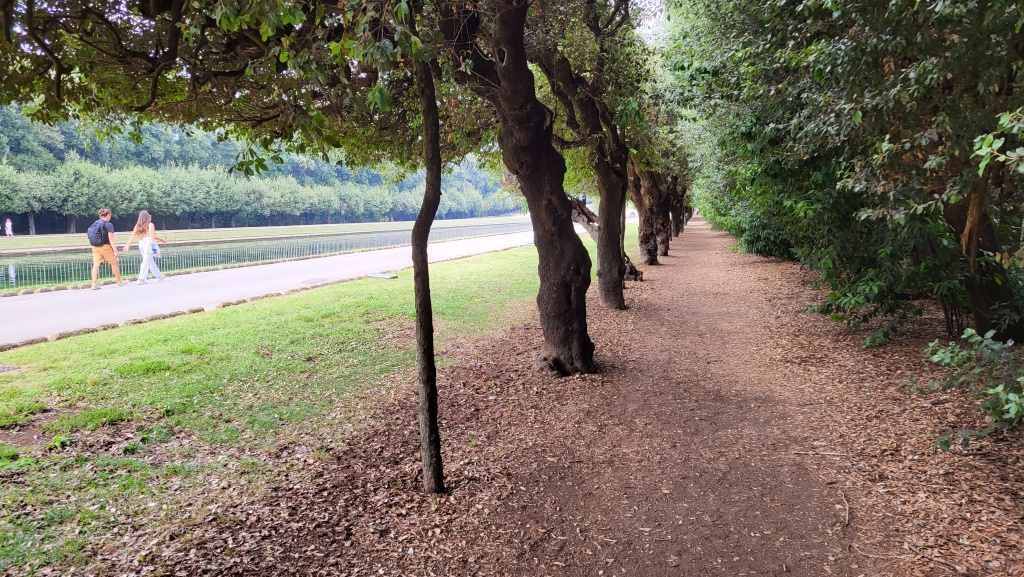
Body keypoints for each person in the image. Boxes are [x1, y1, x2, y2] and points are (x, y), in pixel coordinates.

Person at [122, 210, 167, 284]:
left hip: (141, 243)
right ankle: (141, 279)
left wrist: (128, 244)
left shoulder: (137, 226)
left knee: (149, 260)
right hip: (148, 243)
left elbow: (132, 236)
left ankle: (159, 275)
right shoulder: (150, 225)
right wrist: (161, 239)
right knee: (146, 261)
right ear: (147, 217)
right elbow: (153, 236)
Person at [89, 208, 124, 290]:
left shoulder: (95, 223)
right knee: (113, 263)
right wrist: (115, 250)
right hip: (105, 247)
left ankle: (94, 284)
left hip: (95, 247)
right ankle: (119, 281)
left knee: (96, 265)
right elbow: (111, 239)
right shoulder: (108, 224)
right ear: (108, 215)